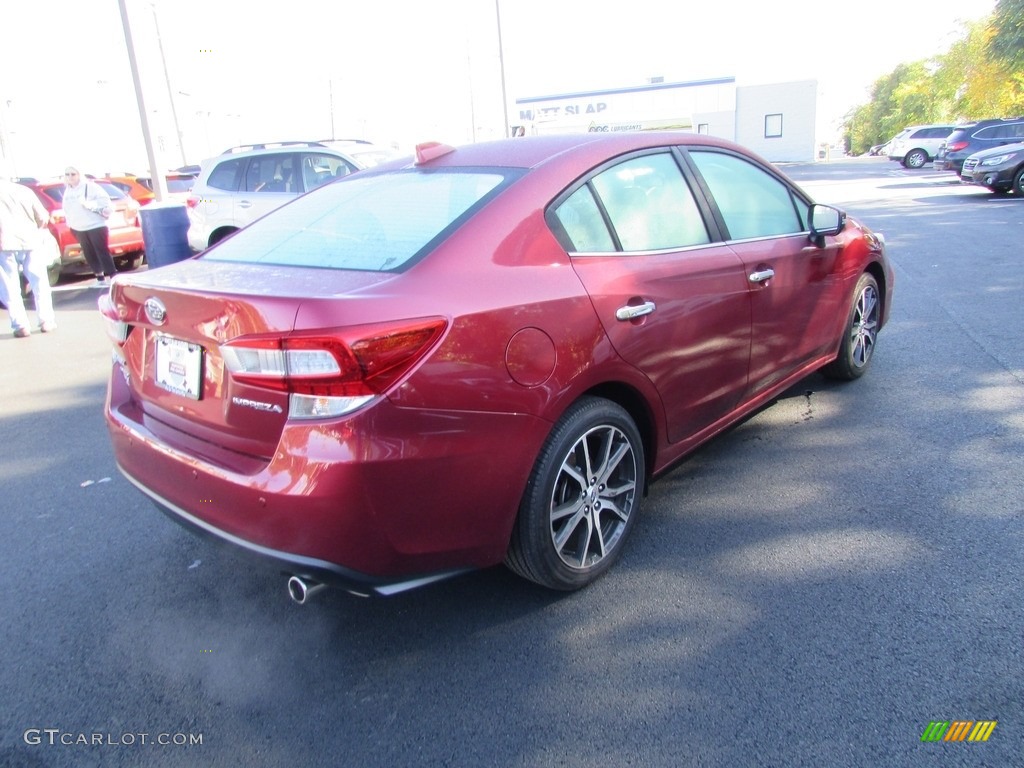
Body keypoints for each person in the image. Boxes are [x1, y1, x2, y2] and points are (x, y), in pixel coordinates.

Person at [0, 174, 57, 337]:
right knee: (39, 281)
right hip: (30, 239)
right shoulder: (24, 191)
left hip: (4, 243)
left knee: (9, 285)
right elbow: (43, 217)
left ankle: (20, 324)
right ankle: (46, 320)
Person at [61, 166, 117, 283]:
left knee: (102, 251)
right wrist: (71, 225)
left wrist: (89, 204)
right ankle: (99, 278)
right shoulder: (68, 190)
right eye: (67, 174)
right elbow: (67, 209)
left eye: (73, 174)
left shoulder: (90, 186)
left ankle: (113, 276)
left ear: (79, 174)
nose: (70, 177)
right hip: (78, 227)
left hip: (95, 225)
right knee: (89, 254)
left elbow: (105, 202)